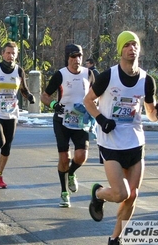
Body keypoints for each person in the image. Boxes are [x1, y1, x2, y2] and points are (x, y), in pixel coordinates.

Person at [83, 31, 158, 245]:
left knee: (133, 195)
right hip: (110, 140)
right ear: (120, 50)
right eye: (127, 45)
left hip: (135, 142)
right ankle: (99, 194)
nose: (132, 48)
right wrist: (101, 119)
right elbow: (88, 101)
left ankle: (115, 238)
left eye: (135, 44)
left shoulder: (147, 80)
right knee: (121, 193)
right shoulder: (108, 76)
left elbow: (150, 113)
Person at [41, 44, 95, 208]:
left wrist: (93, 108)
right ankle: (64, 193)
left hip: (80, 121)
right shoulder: (60, 75)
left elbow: (97, 95)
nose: (76, 60)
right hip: (62, 120)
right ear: (67, 58)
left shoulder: (89, 74)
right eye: (73, 57)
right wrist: (53, 105)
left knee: (81, 157)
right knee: (64, 158)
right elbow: (44, 96)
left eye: (79, 56)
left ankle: (71, 173)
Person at [0, 42, 35, 189]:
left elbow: (24, 89)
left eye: (13, 53)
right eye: (8, 53)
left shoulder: (19, 71)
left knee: (7, 147)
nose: (11, 56)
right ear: (3, 53)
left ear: (16, 55)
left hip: (11, 112)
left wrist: (29, 97)